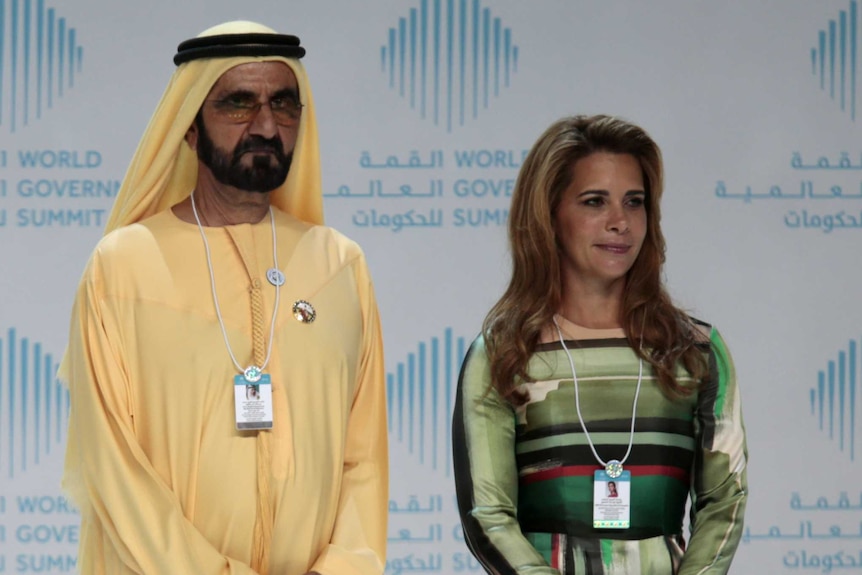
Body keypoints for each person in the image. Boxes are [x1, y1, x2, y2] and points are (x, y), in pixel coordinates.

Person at [60, 21, 387, 575]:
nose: (266, 125)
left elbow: (365, 461)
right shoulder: (123, 267)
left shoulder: (339, 265)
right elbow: (113, 469)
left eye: (284, 105)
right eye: (239, 104)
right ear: (189, 128)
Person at [452, 115, 747, 575]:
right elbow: (487, 517)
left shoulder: (695, 351)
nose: (620, 223)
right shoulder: (503, 353)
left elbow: (724, 501)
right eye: (595, 202)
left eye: (635, 202)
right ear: (549, 215)